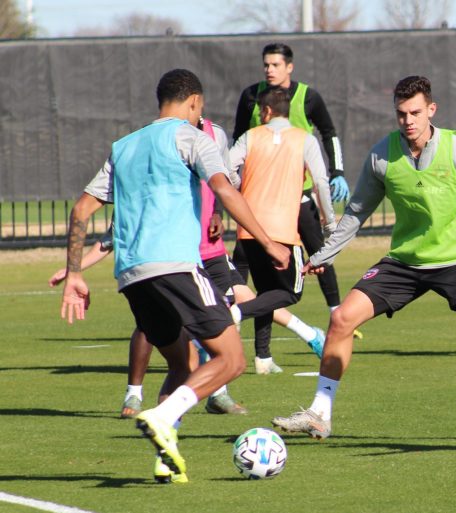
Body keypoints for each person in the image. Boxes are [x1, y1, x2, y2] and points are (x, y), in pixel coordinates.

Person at [271, 76, 456, 442]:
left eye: (415, 112)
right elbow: (356, 213)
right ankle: (320, 415)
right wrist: (323, 255)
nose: (408, 120)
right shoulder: (382, 155)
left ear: (431, 110)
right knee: (343, 318)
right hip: (405, 262)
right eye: (401, 113)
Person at [59, 68, 290, 483]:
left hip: (131, 275)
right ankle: (164, 415)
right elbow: (224, 190)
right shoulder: (191, 136)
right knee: (232, 359)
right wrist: (269, 242)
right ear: (194, 102)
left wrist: (76, 273)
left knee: (182, 364)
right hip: (177, 267)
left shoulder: (124, 146)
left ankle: (165, 460)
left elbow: (80, 211)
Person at [232, 42, 363, 341]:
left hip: (298, 197)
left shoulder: (308, 97)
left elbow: (329, 133)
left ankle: (337, 315)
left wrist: (338, 172)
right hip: (258, 201)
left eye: (275, 64)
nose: (269, 69)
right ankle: (251, 336)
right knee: (264, 275)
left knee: (320, 254)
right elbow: (237, 137)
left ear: (289, 67)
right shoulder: (252, 96)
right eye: (266, 64)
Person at [230, 85, 336, 375]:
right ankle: (237, 311)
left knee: (266, 292)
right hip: (281, 233)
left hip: (248, 231)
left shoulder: (250, 137)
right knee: (291, 293)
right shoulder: (304, 139)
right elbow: (321, 181)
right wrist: (330, 219)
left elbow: (225, 169)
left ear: (265, 111)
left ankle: (263, 358)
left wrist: (240, 189)